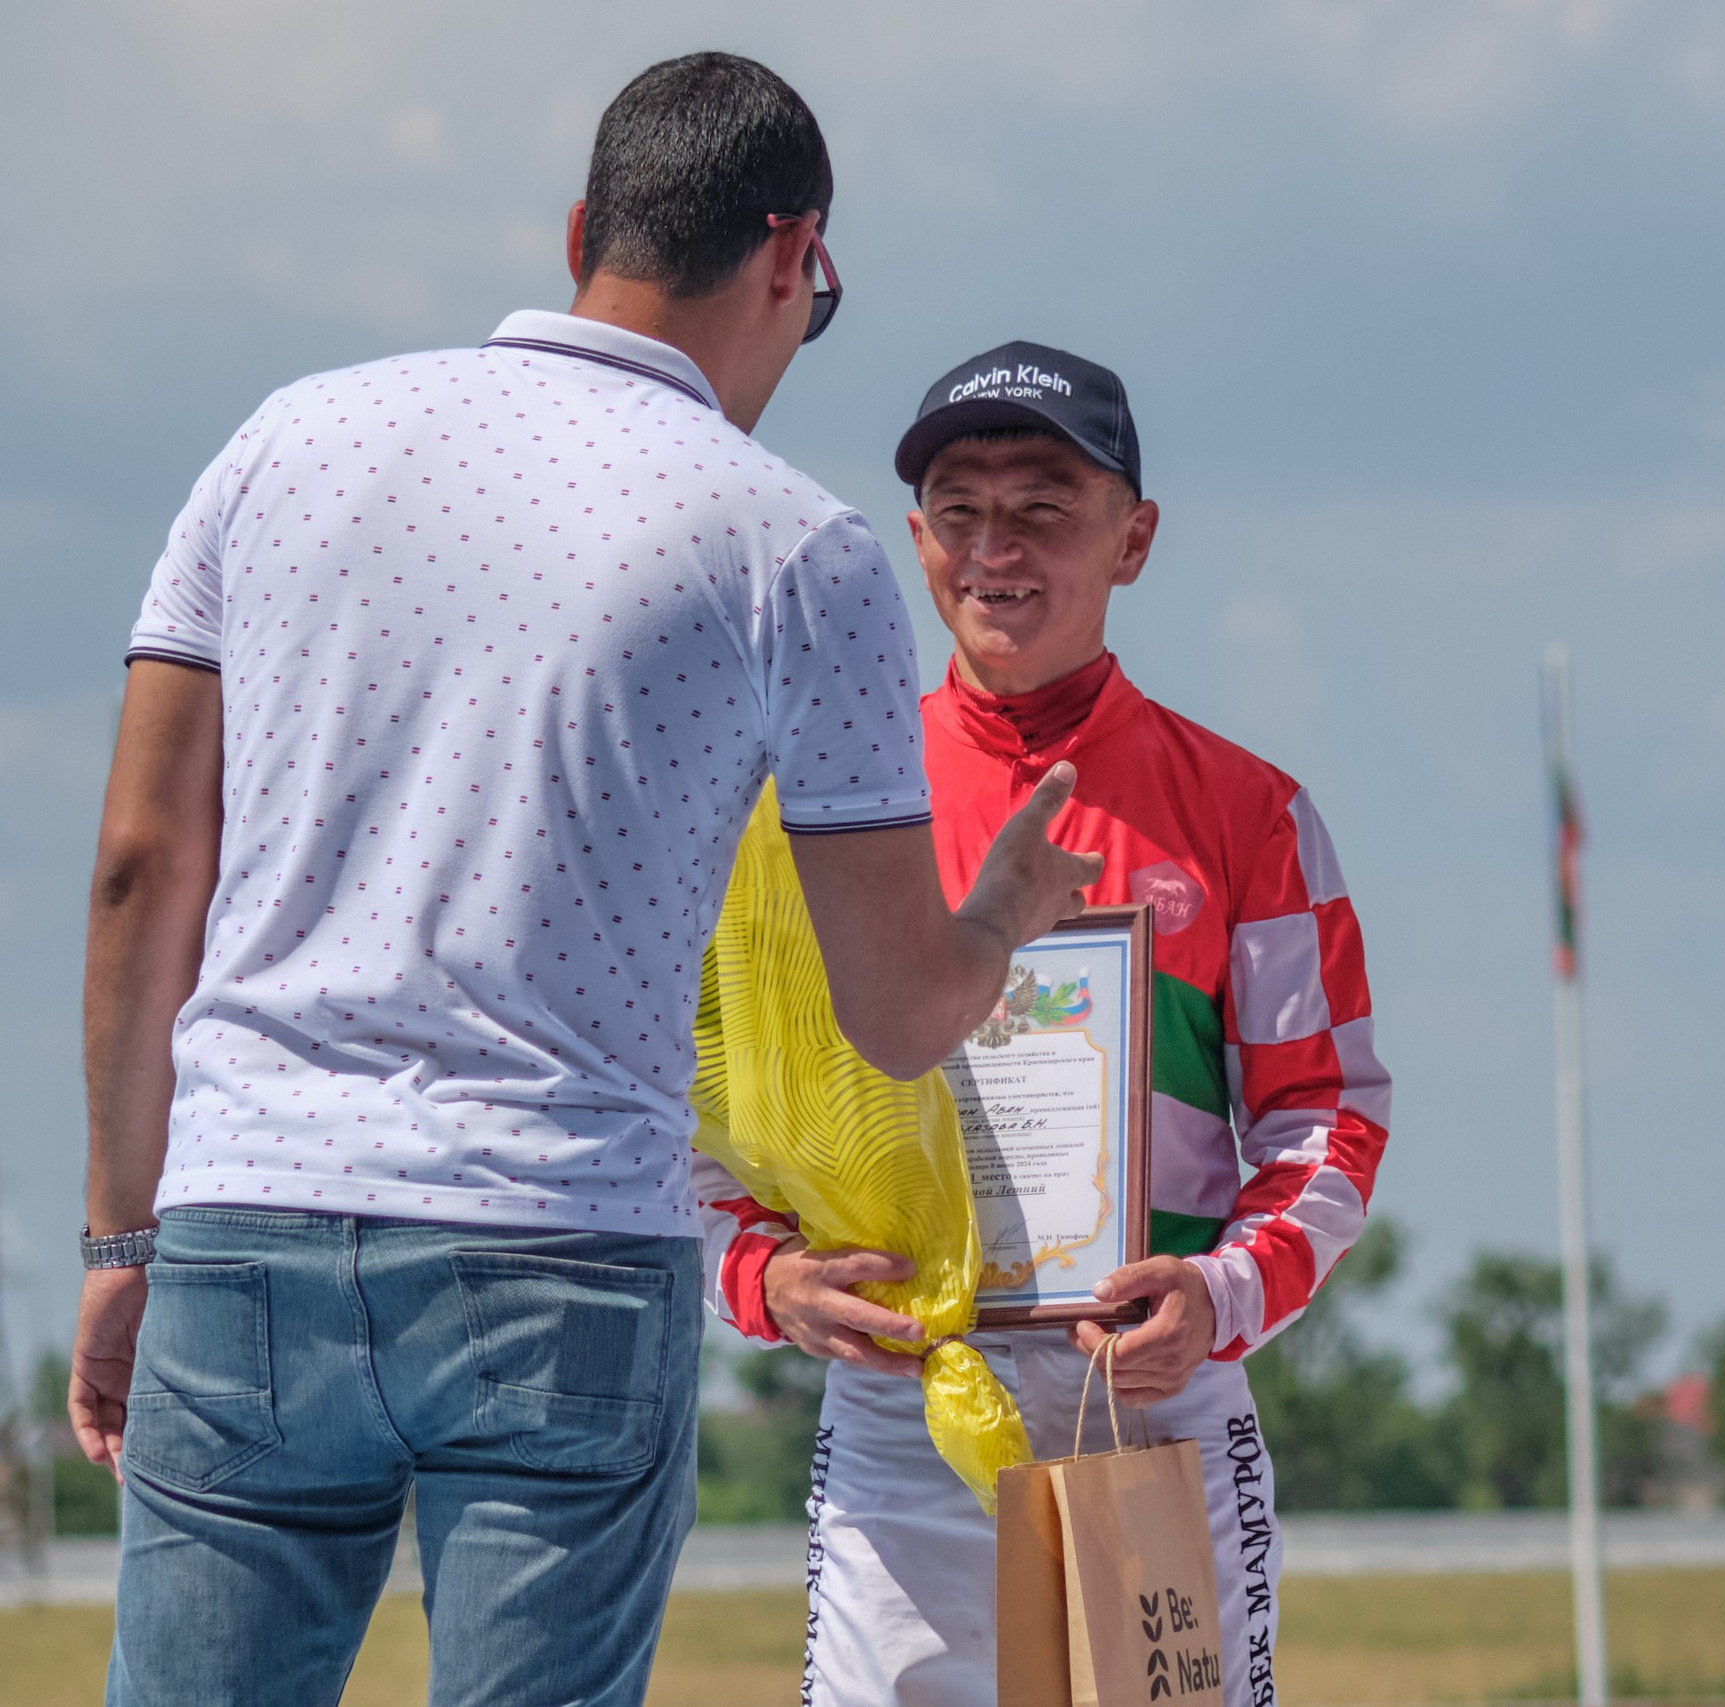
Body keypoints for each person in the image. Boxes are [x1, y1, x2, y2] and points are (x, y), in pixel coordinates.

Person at [73, 56, 1095, 1706]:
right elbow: (901, 1015)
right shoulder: (799, 545)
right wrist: (1004, 917)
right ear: (793, 257)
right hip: (560, 1249)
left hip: (247, 1210)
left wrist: (126, 1242)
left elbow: (138, 869)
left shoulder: (281, 444)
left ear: (580, 234)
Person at [694, 341, 1391, 1707]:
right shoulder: (811, 823)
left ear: (1134, 539)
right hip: (906, 1404)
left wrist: (1220, 1295)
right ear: (915, 537)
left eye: (1043, 508)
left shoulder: (1251, 811)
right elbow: (695, 1120)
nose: (994, 548)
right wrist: (769, 1283)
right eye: (960, 510)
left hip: (1151, 1401)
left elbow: (1330, 1117)